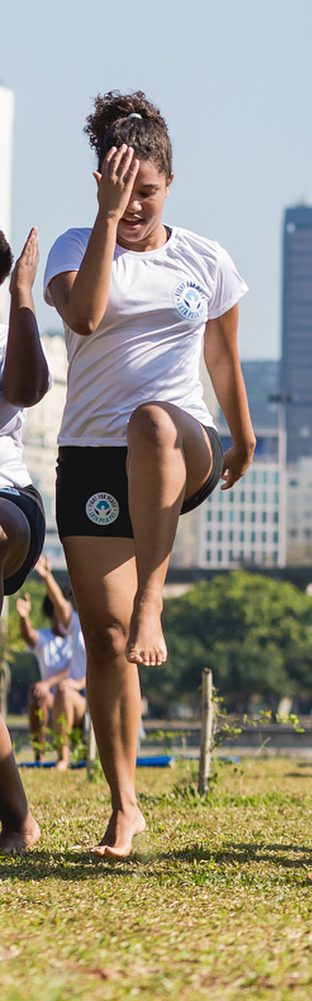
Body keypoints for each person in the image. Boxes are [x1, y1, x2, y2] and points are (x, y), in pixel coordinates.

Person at [43, 91, 256, 858]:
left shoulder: (205, 258)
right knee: (103, 642)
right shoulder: (75, 248)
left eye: (148, 192)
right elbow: (85, 316)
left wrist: (244, 435)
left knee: (155, 422)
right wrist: (106, 221)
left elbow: (222, 357)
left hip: (181, 443)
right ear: (101, 183)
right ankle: (124, 806)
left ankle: (152, 601)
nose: (134, 205)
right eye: (121, 190)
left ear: (170, 183)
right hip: (93, 460)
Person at [0, 227, 50, 851]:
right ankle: (17, 820)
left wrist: (22, 297)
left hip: (8, 501)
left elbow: (27, 390)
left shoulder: (7, 334)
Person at [17, 555, 87, 769]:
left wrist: (56, 683)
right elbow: (29, 636)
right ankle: (40, 754)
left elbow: (76, 670)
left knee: (63, 691)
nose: (60, 618)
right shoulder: (56, 634)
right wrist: (23, 617)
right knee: (38, 693)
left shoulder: (80, 633)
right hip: (57, 695)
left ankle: (66, 756)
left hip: (78, 696)